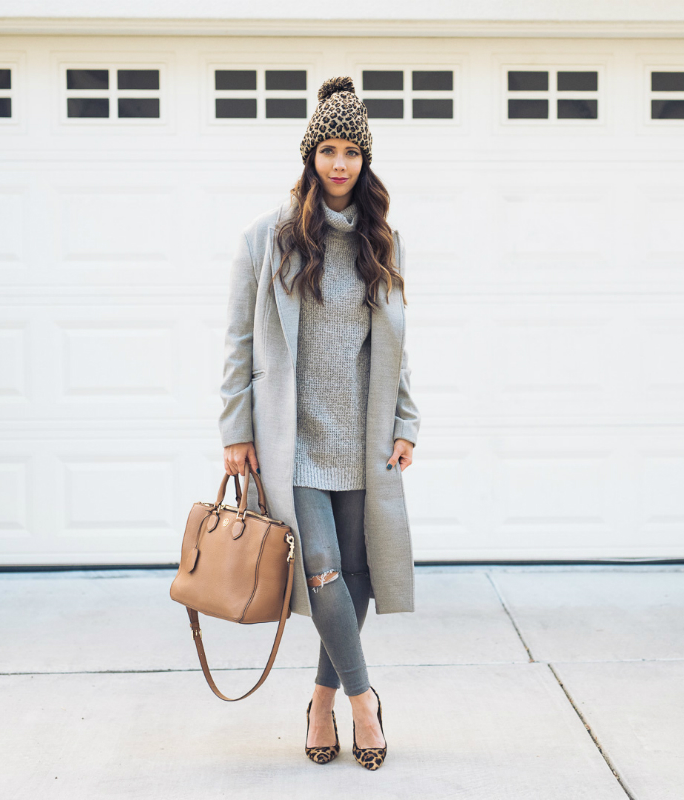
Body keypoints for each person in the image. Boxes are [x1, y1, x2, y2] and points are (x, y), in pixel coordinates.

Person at [217, 76, 420, 771]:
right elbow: (237, 345)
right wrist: (234, 431)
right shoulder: (265, 241)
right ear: (310, 158)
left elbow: (397, 346)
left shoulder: (381, 240)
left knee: (358, 572)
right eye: (327, 150)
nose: (339, 164)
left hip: (360, 437)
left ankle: (321, 701)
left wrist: (406, 424)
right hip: (291, 439)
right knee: (323, 569)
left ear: (365, 162)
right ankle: (365, 702)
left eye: (351, 152)